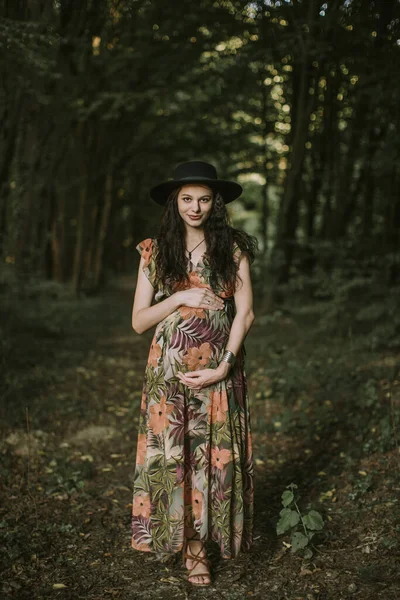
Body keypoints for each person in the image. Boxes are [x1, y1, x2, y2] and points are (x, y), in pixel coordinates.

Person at [130, 160, 257, 587]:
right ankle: (185, 546)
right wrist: (181, 294)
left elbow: (246, 313)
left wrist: (225, 365)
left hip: (219, 373)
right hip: (168, 376)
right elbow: (139, 321)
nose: (195, 207)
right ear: (174, 202)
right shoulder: (155, 250)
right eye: (187, 198)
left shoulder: (232, 248)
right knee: (173, 455)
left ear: (215, 202)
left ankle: (205, 543)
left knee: (211, 457)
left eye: (204, 199)